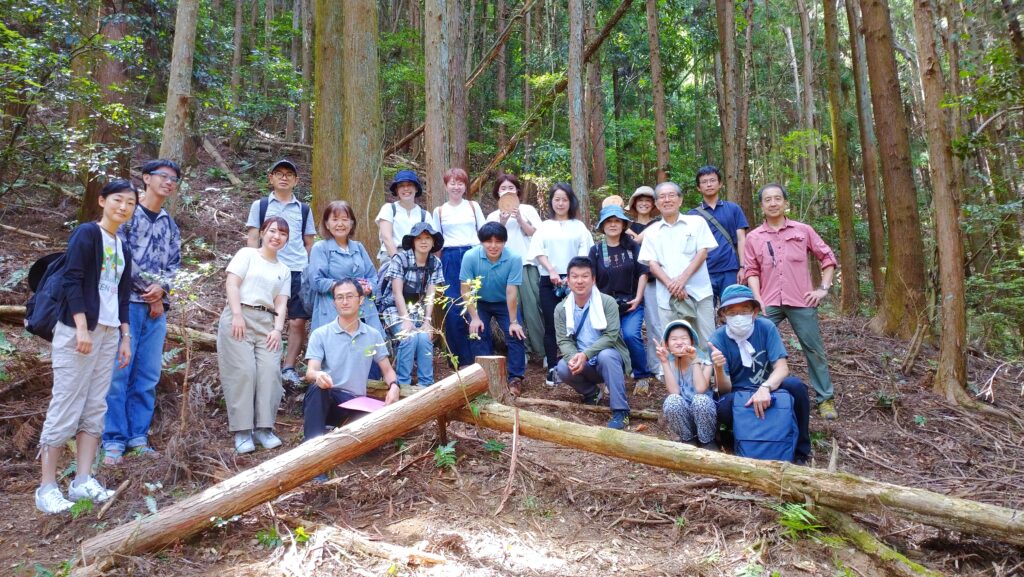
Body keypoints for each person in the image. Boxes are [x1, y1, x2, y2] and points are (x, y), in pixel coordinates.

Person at [35, 179, 136, 514]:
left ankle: (82, 480)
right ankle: (46, 487)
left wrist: (125, 336)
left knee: (95, 406)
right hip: (78, 330)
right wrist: (81, 327)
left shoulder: (123, 245)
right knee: (66, 403)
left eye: (130, 203)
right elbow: (72, 279)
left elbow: (121, 296)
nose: (123, 207)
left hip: (108, 333)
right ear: (103, 200)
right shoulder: (87, 234)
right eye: (118, 200)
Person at [102, 160, 182, 465]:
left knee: (147, 374)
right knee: (118, 372)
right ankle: (113, 439)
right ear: (146, 178)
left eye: (174, 179)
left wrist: (162, 289)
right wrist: (150, 292)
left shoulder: (168, 223)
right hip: (126, 305)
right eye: (163, 176)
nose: (168, 182)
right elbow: (121, 256)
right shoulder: (127, 214)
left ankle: (138, 436)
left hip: (156, 311)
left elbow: (175, 264)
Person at [743, 183, 839, 420]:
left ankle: (825, 399)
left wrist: (823, 289)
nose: (773, 203)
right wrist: (756, 298)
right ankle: (760, 389)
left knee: (813, 349)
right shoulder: (754, 237)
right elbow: (751, 270)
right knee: (757, 347)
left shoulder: (803, 230)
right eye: (768, 200)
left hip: (801, 300)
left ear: (786, 203)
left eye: (778, 199)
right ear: (762, 206)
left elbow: (827, 258)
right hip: (768, 301)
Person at [709, 284, 812, 465]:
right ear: (723, 316)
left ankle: (800, 450)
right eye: (732, 313)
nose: (738, 317)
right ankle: (736, 439)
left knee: (796, 387)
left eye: (744, 310)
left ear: (755, 312)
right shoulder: (718, 338)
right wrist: (718, 368)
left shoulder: (765, 327)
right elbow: (724, 389)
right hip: (738, 393)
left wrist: (765, 387)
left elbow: (781, 368)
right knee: (721, 407)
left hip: (769, 387)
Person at [218, 217, 291, 454]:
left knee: (270, 373)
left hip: (267, 323)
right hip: (240, 316)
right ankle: (242, 431)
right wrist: (237, 314)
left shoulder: (284, 269)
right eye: (272, 231)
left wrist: (278, 329)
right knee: (243, 372)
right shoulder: (247, 255)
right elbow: (232, 283)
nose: (276, 236)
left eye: (282, 233)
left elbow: (281, 302)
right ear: (262, 232)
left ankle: (264, 428)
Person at [245, 159, 316, 388]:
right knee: (264, 317)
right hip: (266, 268)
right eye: (279, 173)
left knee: (296, 321)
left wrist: (306, 268)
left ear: (296, 180)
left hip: (296, 270)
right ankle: (265, 364)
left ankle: (288, 367)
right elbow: (253, 237)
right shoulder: (261, 205)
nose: (284, 177)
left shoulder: (303, 209)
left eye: (289, 174)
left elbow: (309, 242)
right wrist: (251, 264)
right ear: (271, 178)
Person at [303, 279, 400, 444]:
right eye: (339, 297)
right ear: (334, 303)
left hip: (356, 403)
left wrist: (394, 386)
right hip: (328, 398)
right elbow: (310, 372)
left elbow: (387, 370)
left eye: (349, 296)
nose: (345, 301)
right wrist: (318, 375)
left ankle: (337, 438)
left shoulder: (372, 334)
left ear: (361, 300)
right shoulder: (321, 334)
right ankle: (311, 449)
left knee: (374, 437)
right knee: (317, 390)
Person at [553, 257, 632, 429]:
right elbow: (564, 339)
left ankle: (621, 410)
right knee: (563, 367)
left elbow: (611, 336)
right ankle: (592, 393)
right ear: (568, 280)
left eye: (585, 276)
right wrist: (575, 357)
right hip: (584, 363)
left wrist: (585, 354)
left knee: (607, 355)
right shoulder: (562, 308)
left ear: (593, 279)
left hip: (609, 360)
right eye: (574, 276)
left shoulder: (607, 302)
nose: (579, 281)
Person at [527, 184, 594, 385]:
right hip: (550, 280)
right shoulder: (545, 227)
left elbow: (585, 252)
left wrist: (573, 275)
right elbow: (538, 252)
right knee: (551, 323)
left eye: (564, 199)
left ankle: (577, 363)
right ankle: (553, 366)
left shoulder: (579, 226)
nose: (560, 203)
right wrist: (552, 271)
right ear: (551, 202)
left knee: (576, 323)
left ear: (570, 201)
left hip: (576, 280)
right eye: (557, 199)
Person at [637, 181, 718, 346]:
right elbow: (652, 263)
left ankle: (709, 370)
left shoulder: (697, 222)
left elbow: (702, 253)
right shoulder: (651, 232)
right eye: (662, 197)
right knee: (674, 341)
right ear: (657, 204)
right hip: (667, 295)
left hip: (699, 291)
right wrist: (671, 285)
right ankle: (680, 372)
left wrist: (681, 280)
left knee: (707, 338)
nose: (667, 200)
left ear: (680, 200)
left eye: (671, 195)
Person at [306, 201, 386, 368]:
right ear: (327, 224)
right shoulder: (320, 248)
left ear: (352, 223)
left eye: (345, 219)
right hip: (332, 308)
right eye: (335, 219)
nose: (340, 224)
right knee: (338, 357)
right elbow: (317, 281)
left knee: (370, 355)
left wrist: (369, 287)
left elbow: (373, 276)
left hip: (364, 309)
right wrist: (349, 288)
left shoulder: (358, 247)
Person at [588, 205, 657, 395]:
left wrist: (638, 298)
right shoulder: (595, 251)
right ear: (602, 226)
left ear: (623, 224)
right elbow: (590, 279)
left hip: (632, 302)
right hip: (606, 306)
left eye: (617, 221)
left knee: (629, 335)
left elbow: (643, 273)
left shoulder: (633, 246)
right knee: (609, 340)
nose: (613, 224)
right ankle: (612, 378)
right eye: (608, 221)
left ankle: (642, 376)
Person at [461, 223, 528, 396]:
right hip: (480, 301)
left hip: (503, 302)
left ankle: (515, 377)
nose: (493, 246)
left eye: (498, 241)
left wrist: (513, 321)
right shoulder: (470, 256)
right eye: (488, 241)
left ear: (505, 242)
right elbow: (465, 289)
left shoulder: (513, 258)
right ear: (481, 242)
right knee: (477, 332)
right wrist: (474, 317)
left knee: (515, 333)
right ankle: (484, 376)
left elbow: (511, 291)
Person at [485, 173, 544, 362]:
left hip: (527, 264)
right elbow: (490, 241)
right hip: (502, 267)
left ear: (517, 191)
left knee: (533, 308)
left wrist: (519, 219)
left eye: (511, 188)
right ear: (497, 192)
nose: (507, 191)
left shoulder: (527, 209)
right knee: (513, 310)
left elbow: (537, 234)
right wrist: (501, 222)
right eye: (503, 188)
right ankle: (522, 350)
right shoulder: (493, 215)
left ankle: (541, 351)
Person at [432, 168, 486, 368]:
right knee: (455, 307)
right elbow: (436, 243)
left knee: (476, 304)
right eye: (452, 183)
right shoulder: (439, 211)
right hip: (450, 258)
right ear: (446, 186)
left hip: (473, 255)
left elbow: (483, 233)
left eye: (460, 183)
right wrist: (438, 267)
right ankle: (460, 359)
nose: (456, 186)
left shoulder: (473, 207)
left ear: (465, 186)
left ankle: (480, 356)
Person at [379, 222, 444, 387]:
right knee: (408, 336)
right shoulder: (401, 259)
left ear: (433, 241)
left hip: (417, 308)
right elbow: (396, 292)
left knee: (424, 337)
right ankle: (402, 384)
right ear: (413, 242)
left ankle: (425, 384)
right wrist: (405, 319)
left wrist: (427, 321)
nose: (423, 242)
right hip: (394, 307)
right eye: (419, 238)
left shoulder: (435, 263)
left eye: (428, 238)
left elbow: (430, 294)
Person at [687, 165, 749, 304]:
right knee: (706, 315)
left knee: (733, 309)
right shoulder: (692, 215)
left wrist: (743, 267)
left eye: (712, 180)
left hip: (730, 269)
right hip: (702, 271)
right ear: (698, 187)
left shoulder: (733, 209)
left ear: (720, 184)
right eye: (704, 182)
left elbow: (741, 239)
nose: (709, 184)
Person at [658, 320, 717, 450]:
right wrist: (665, 362)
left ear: (692, 342)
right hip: (684, 418)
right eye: (674, 339)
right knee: (672, 400)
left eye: (684, 338)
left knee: (700, 399)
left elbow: (701, 389)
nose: (679, 342)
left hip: (705, 415)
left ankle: (707, 441)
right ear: (667, 344)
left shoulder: (705, 362)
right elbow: (674, 392)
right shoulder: (667, 364)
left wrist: (694, 360)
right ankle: (688, 440)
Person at [626, 185, 663, 378]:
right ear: (634, 203)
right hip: (632, 282)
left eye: (648, 200)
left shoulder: (659, 224)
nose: (644, 203)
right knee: (631, 328)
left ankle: (657, 365)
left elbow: (640, 239)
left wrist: (633, 235)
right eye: (640, 200)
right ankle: (634, 364)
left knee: (656, 324)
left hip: (654, 279)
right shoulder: (625, 225)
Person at [375, 170, 431, 263]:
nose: (406, 189)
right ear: (396, 190)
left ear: (416, 188)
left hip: (418, 257)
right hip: (391, 257)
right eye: (401, 186)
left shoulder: (425, 215)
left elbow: (429, 240)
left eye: (409, 185)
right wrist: (398, 261)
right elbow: (386, 237)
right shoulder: (388, 209)